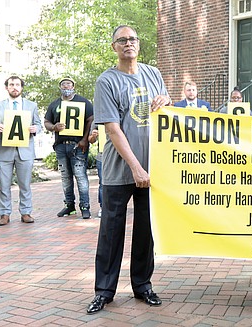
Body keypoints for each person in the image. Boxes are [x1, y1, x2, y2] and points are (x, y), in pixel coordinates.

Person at [86, 24, 172, 314]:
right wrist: (136, 167)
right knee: (111, 231)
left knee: (146, 230)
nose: (128, 43)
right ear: (114, 47)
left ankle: (143, 285)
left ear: (139, 43)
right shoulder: (106, 81)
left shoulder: (153, 74)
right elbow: (112, 129)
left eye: (132, 39)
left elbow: (166, 109)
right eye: (122, 40)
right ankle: (104, 291)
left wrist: (166, 100)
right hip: (119, 171)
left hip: (154, 168)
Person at [0, 76, 42, 226]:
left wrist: (35, 129)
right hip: (3, 151)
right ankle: (4, 214)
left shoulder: (31, 105)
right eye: (11, 84)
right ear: (6, 87)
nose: (14, 87)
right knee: (4, 185)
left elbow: (38, 124)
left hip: (25, 151)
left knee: (25, 184)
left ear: (22, 87)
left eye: (17, 85)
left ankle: (26, 212)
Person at [44, 77, 94, 219]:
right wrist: (54, 127)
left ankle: (85, 206)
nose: (66, 86)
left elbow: (91, 119)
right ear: (60, 87)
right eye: (63, 84)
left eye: (69, 84)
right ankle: (69, 206)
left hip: (77, 145)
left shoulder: (83, 102)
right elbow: (47, 121)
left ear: (74, 86)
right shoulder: (55, 104)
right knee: (66, 177)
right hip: (61, 145)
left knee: (80, 176)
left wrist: (85, 139)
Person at [88, 123, 103, 218]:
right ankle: (103, 207)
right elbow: (91, 140)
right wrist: (93, 135)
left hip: (121, 155)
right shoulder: (97, 119)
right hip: (102, 156)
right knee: (103, 183)